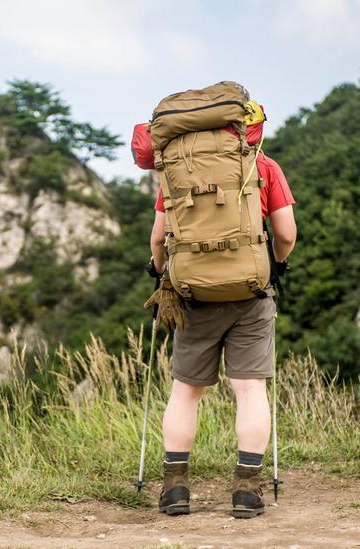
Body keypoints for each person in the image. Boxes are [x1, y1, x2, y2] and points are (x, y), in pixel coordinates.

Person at [132, 103, 296, 518]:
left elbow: (157, 240)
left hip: (194, 296)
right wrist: (275, 265)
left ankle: (174, 489)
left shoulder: (175, 170)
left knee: (186, 392)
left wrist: (160, 270)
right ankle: (246, 490)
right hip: (251, 295)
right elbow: (287, 234)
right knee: (249, 390)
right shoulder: (265, 167)